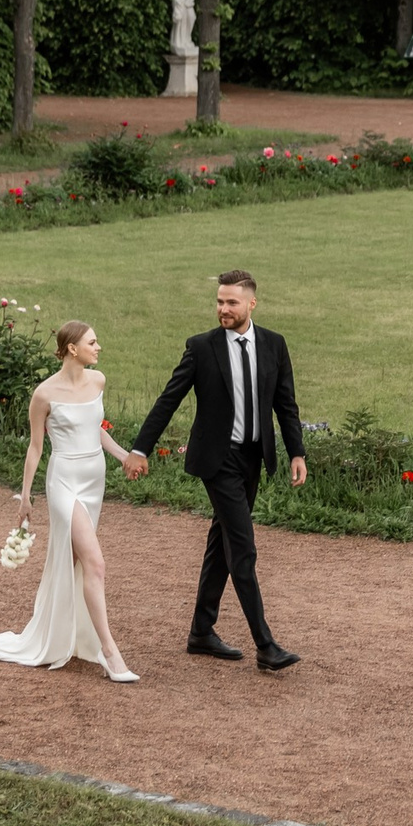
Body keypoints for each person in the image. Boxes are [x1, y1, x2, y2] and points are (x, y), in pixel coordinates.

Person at [126, 270, 306, 672]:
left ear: (251, 304)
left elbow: (285, 403)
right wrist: (140, 448)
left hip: (253, 458)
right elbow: (168, 399)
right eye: (219, 302)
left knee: (220, 543)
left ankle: (201, 632)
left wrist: (297, 452)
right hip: (217, 459)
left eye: (232, 303)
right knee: (242, 547)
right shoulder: (202, 347)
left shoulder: (274, 345)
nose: (223, 309)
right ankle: (266, 646)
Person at [0, 320, 141, 682]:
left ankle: (64, 633)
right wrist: (26, 497)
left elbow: (93, 428)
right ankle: (109, 652)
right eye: (93, 342)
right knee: (95, 563)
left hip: (95, 479)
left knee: (78, 562)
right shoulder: (44, 394)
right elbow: (35, 447)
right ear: (73, 349)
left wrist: (125, 456)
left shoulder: (98, 381)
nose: (99, 347)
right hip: (64, 481)